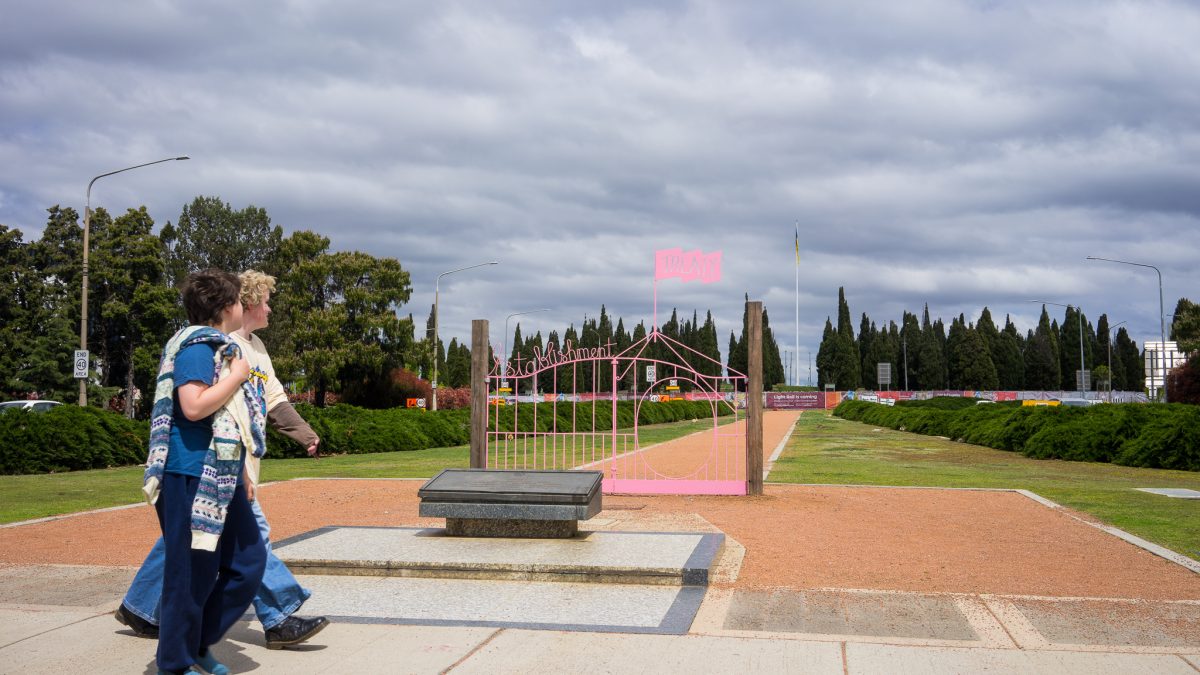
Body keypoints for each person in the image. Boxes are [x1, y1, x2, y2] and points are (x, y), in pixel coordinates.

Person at [117, 270, 329, 651]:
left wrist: (304, 434)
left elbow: (274, 399)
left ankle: (141, 608)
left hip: (233, 465)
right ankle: (278, 616)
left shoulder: (257, 347)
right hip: (215, 465)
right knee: (249, 540)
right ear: (243, 305)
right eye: (266, 300)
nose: (270, 307)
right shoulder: (214, 345)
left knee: (183, 537)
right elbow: (199, 406)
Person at [142, 269, 266, 675]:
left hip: (220, 474)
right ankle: (174, 663)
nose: (242, 306)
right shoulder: (196, 346)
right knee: (189, 574)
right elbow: (193, 406)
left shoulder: (219, 346)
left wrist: (242, 472)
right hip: (187, 473)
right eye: (237, 301)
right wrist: (235, 377)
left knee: (247, 561)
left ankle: (194, 643)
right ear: (226, 307)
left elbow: (227, 419)